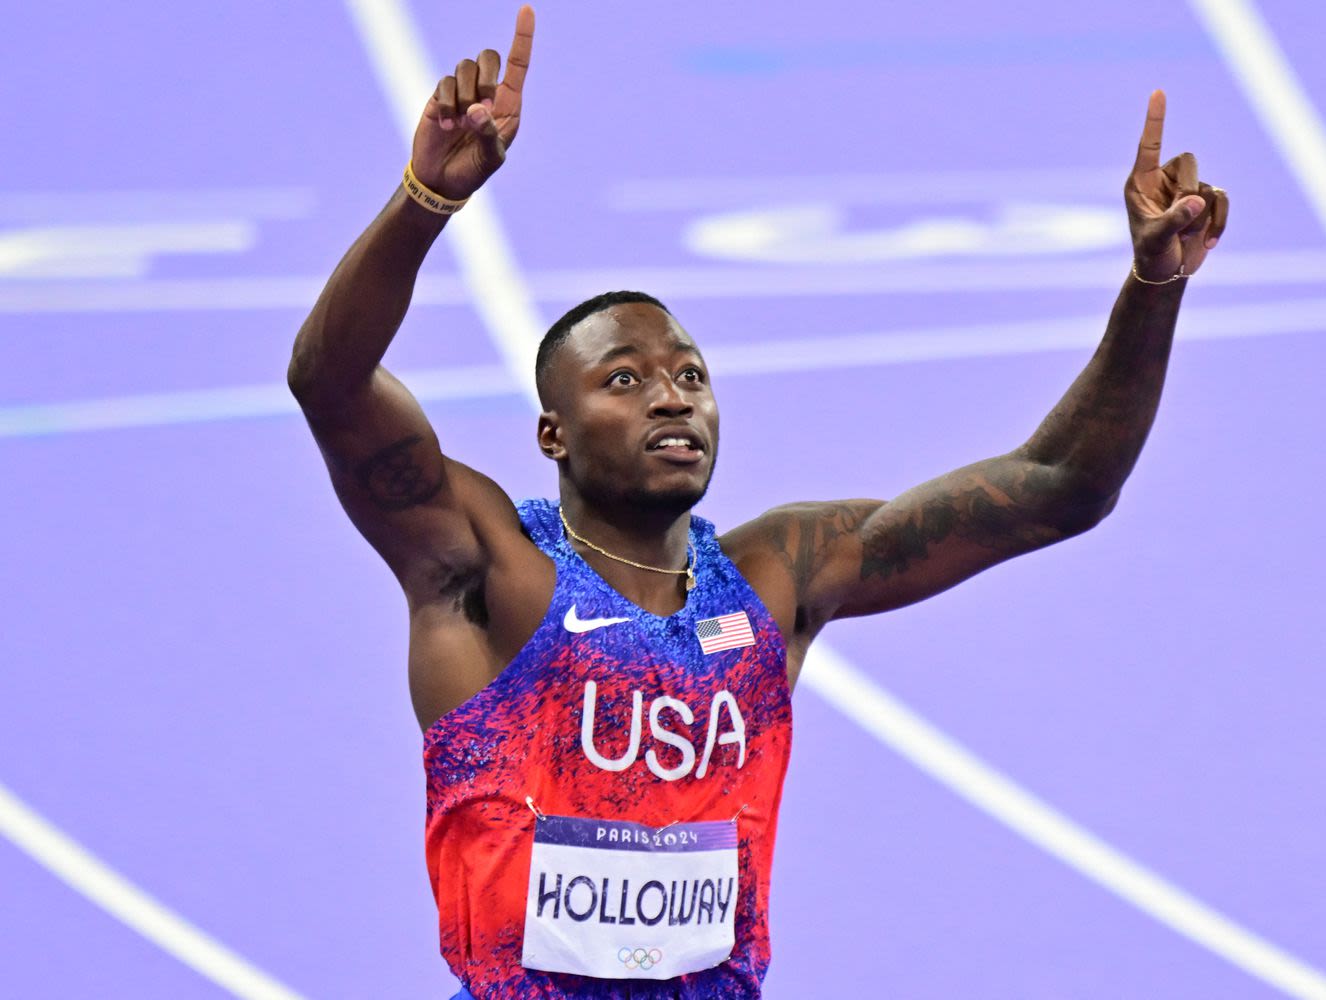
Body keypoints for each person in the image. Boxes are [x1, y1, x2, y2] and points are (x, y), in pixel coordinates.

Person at [287, 6, 1227, 998]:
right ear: (551, 433)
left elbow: (1060, 488)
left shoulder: (779, 575)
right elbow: (331, 384)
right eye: (624, 378)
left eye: (690, 374)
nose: (670, 395)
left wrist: (1152, 288)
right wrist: (424, 199)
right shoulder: (483, 567)